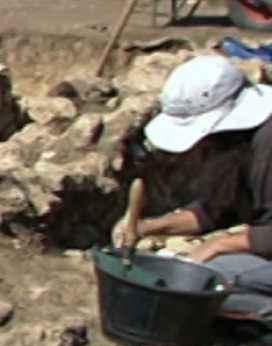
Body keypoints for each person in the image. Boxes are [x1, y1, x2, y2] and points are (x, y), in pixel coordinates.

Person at [113, 54, 272, 319]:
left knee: (210, 279)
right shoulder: (241, 148)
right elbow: (216, 210)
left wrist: (217, 245)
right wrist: (149, 227)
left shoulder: (268, 145)